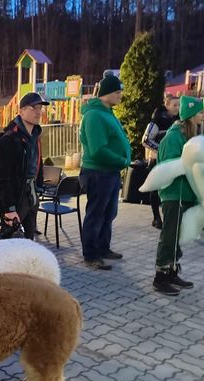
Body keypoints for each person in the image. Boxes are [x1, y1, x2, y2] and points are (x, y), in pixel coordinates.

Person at [152, 96, 204, 295]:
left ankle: (172, 271)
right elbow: (169, 166)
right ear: (190, 115)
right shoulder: (173, 138)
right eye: (200, 112)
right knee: (170, 234)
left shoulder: (187, 137)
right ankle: (160, 276)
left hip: (185, 195)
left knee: (178, 235)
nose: (203, 115)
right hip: (174, 195)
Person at [79, 72, 131, 270]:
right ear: (107, 92)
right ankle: (91, 254)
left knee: (108, 213)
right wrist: (121, 160)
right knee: (96, 213)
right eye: (117, 92)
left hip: (109, 172)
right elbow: (97, 149)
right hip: (98, 172)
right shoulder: (94, 116)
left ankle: (103, 247)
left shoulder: (107, 113)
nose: (120, 95)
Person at [0, 92, 47, 240]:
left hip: (31, 194)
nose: (38, 111)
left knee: (28, 241)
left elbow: (38, 162)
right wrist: (9, 208)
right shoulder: (9, 140)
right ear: (21, 111)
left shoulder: (35, 136)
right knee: (11, 243)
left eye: (40, 108)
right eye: (34, 107)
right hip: (16, 198)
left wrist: (39, 186)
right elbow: (2, 178)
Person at [142, 93, 180, 229]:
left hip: (170, 160)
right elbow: (146, 140)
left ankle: (169, 216)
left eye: (179, 105)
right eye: (174, 105)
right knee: (155, 189)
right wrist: (162, 150)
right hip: (156, 159)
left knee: (169, 188)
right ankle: (156, 217)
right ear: (167, 105)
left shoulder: (178, 121)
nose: (177, 108)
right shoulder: (156, 121)